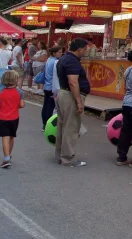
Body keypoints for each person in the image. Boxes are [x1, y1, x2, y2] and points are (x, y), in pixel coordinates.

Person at [56, 38, 90, 167]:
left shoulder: (64, 58)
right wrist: (79, 101)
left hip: (63, 94)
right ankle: (68, 158)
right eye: (85, 49)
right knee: (71, 128)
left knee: (63, 127)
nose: (86, 52)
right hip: (70, 96)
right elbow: (73, 82)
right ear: (79, 49)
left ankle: (60, 155)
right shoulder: (72, 61)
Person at [0, 70, 24, 168]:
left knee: (4, 137)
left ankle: (6, 158)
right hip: (14, 118)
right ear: (16, 80)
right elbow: (22, 105)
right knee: (11, 136)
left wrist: (0, 104)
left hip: (3, 118)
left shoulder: (0, 91)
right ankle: (9, 155)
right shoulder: (19, 91)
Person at [41, 46, 63, 129]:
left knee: (46, 105)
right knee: (51, 106)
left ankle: (44, 123)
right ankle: (47, 124)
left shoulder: (49, 60)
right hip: (52, 87)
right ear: (54, 53)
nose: (61, 54)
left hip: (47, 86)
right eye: (59, 52)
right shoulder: (56, 62)